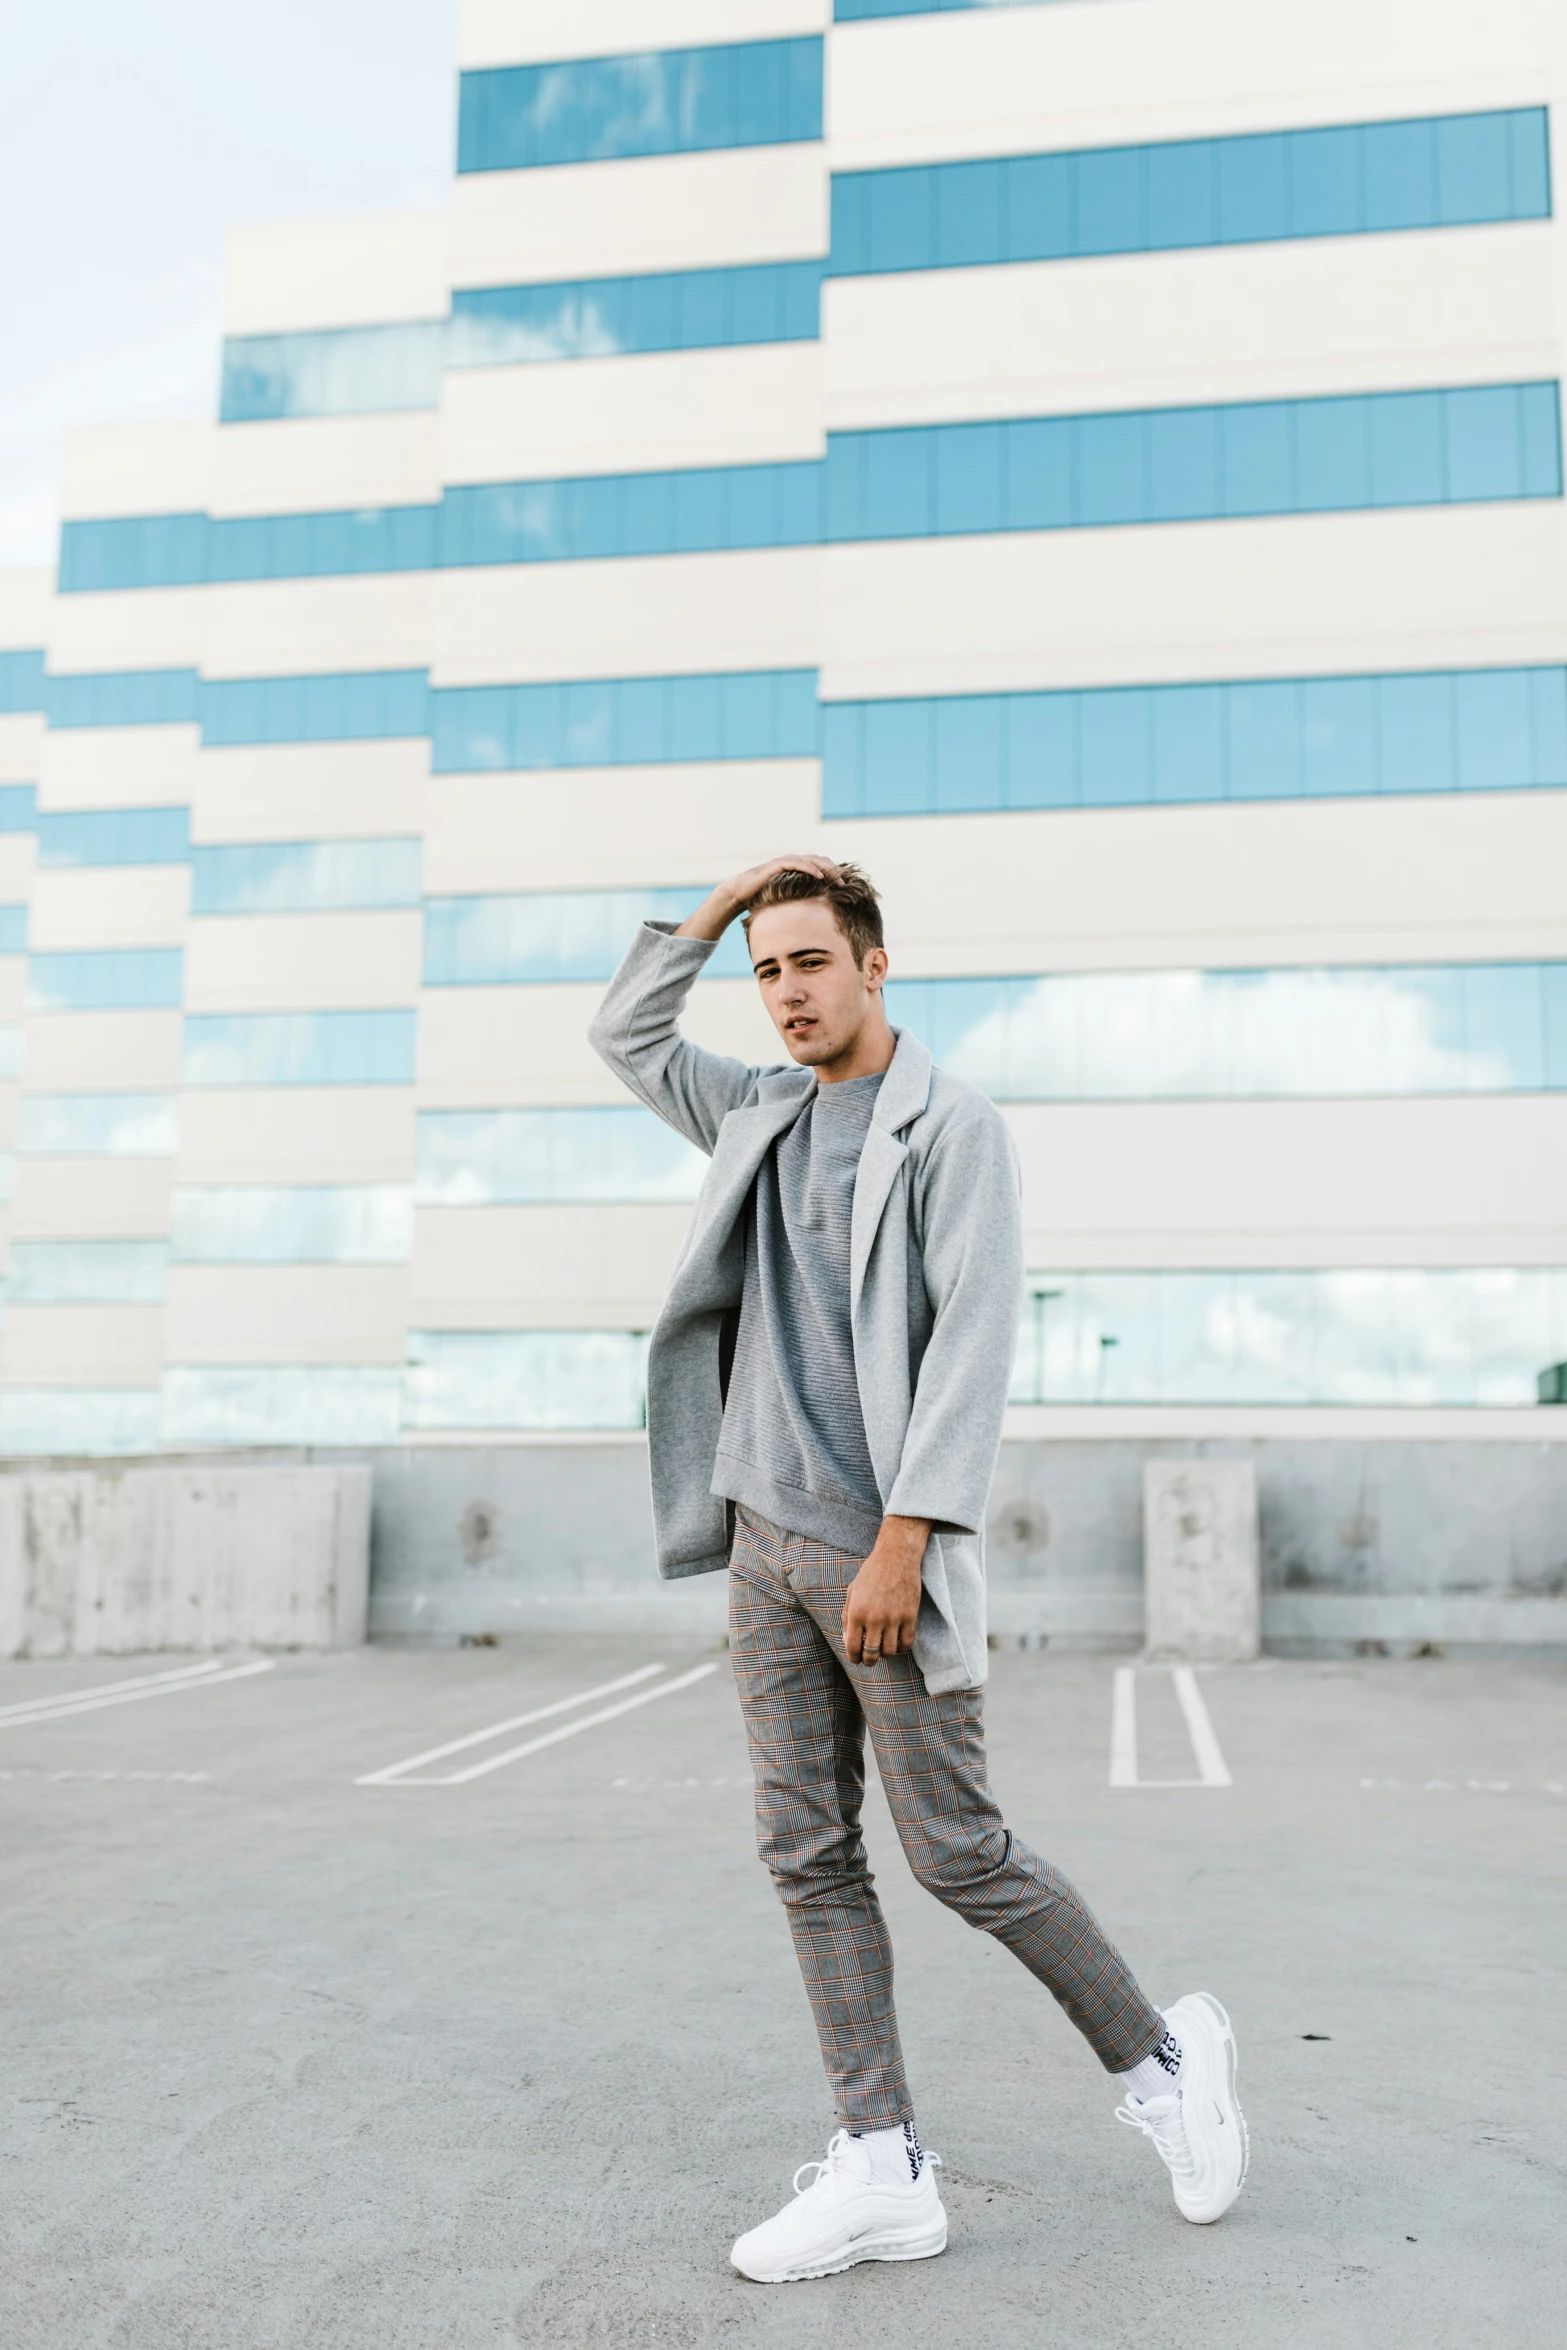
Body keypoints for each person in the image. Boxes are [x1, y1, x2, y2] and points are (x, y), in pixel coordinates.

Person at [589, 855, 1247, 2284]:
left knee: (954, 1848)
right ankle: (879, 2159)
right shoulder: (755, 1109)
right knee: (807, 1851)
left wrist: (906, 1537)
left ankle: (1161, 2061)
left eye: (807, 963)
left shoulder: (952, 1130)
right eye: (765, 971)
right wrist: (708, 914)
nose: (784, 994)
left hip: (877, 1552)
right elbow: (625, 1037)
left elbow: (973, 1345)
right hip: (761, 1549)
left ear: (872, 966)